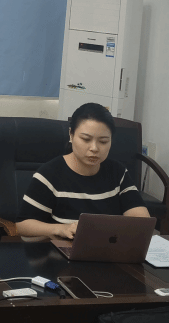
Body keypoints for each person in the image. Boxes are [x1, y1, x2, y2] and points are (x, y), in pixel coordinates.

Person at [15, 102, 151, 240]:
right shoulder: (49, 174)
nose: (94, 148)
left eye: (103, 141)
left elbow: (141, 218)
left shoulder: (118, 172)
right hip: (65, 249)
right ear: (71, 135)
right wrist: (61, 229)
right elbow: (23, 225)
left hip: (108, 248)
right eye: (86, 139)